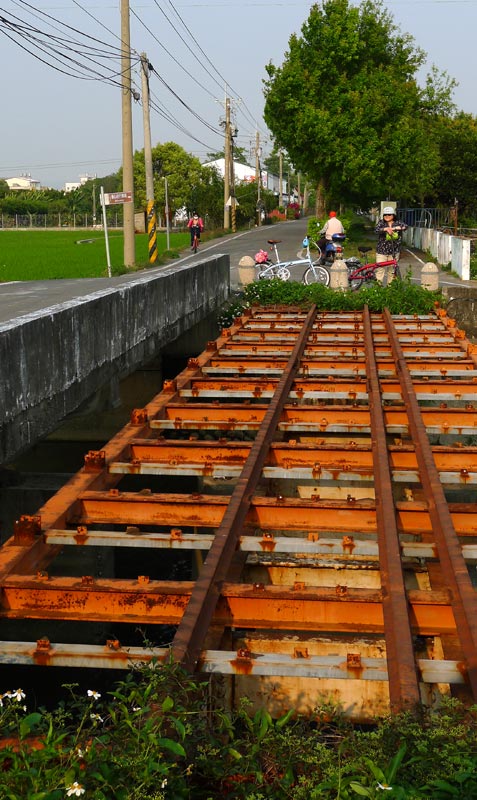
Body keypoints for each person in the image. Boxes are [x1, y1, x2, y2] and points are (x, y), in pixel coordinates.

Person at [374, 206, 408, 284]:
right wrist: (385, 229)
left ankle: (390, 289)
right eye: (385, 214)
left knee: (392, 271)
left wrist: (394, 228)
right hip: (382, 251)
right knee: (380, 270)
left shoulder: (398, 222)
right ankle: (378, 288)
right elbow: (376, 230)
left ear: (393, 215)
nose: (387, 216)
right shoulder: (381, 222)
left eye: (389, 214)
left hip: (394, 251)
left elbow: (405, 226)